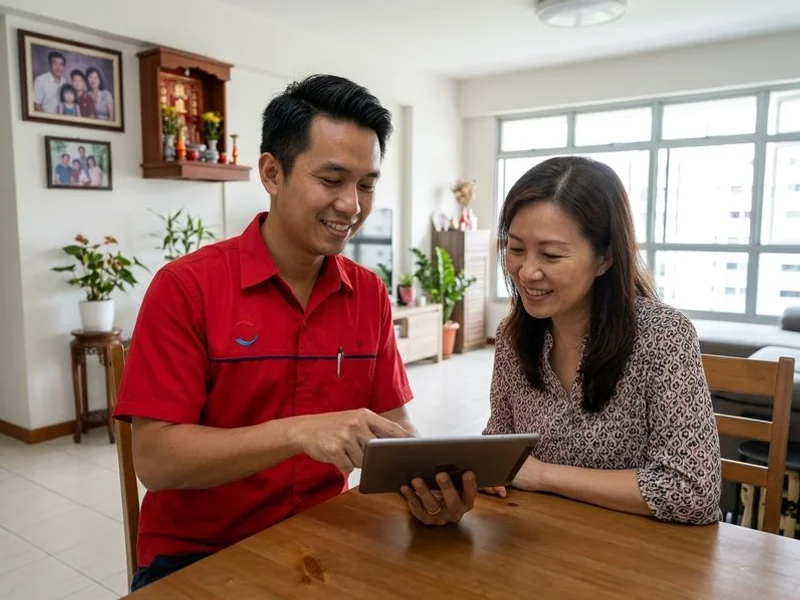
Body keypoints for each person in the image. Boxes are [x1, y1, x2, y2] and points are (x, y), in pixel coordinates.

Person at [113, 74, 477, 591]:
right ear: (271, 172)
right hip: (201, 557)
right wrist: (299, 432)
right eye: (331, 180)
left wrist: (432, 485)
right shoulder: (185, 289)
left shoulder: (369, 295)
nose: (352, 205)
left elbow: (392, 426)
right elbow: (156, 461)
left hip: (325, 539)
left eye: (366, 184)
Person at [482, 156, 721, 525]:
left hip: (644, 559)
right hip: (543, 545)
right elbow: (500, 448)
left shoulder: (663, 337)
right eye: (515, 249)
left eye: (551, 254)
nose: (527, 271)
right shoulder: (513, 337)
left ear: (605, 258)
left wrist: (543, 475)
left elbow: (693, 490)